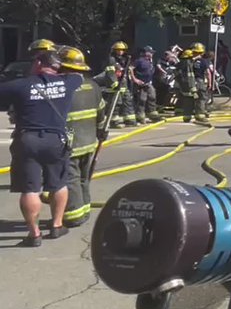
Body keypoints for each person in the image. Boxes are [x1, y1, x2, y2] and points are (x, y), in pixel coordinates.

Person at [1, 50, 82, 247]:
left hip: (28, 140)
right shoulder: (69, 82)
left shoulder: (20, 85)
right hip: (56, 141)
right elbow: (79, 75)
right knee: (59, 184)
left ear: (38, 63)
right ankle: (56, 225)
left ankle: (34, 234)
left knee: (31, 189)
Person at [57, 46, 105, 227]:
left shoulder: (63, 87)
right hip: (89, 141)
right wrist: (100, 132)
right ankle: (84, 210)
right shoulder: (92, 85)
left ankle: (73, 215)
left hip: (70, 140)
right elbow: (101, 114)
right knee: (84, 178)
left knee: (70, 179)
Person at [100, 41, 136, 128]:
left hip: (124, 85)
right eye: (118, 50)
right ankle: (114, 121)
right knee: (116, 103)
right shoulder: (111, 60)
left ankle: (129, 120)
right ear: (114, 50)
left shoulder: (124, 60)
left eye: (122, 50)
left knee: (127, 101)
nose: (120, 52)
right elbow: (110, 72)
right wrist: (114, 83)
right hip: (115, 86)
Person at [129, 46, 161, 124]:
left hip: (148, 83)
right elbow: (130, 68)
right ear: (146, 53)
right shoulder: (139, 61)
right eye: (151, 52)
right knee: (142, 100)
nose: (152, 54)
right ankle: (140, 116)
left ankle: (152, 114)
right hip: (141, 84)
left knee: (152, 97)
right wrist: (135, 79)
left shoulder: (150, 61)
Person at [175, 48, 199, 122]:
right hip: (188, 85)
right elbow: (190, 77)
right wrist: (193, 89)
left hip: (181, 85)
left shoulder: (180, 63)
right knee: (189, 101)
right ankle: (187, 117)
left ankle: (180, 114)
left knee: (182, 99)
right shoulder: (188, 64)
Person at [191, 43, 213, 120]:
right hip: (199, 81)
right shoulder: (204, 61)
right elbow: (208, 73)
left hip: (190, 81)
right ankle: (200, 114)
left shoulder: (189, 61)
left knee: (191, 97)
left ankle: (189, 112)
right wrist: (210, 83)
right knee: (201, 97)